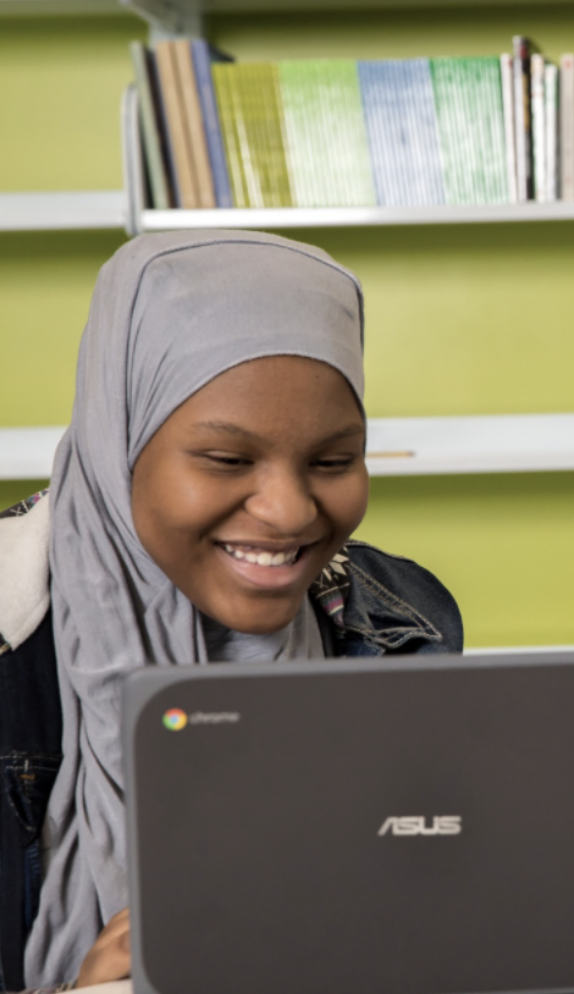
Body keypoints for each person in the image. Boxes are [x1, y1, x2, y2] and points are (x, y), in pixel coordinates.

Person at [0, 230, 464, 991]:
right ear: (117, 440)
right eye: (227, 460)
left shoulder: (403, 624)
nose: (287, 512)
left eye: (332, 461)